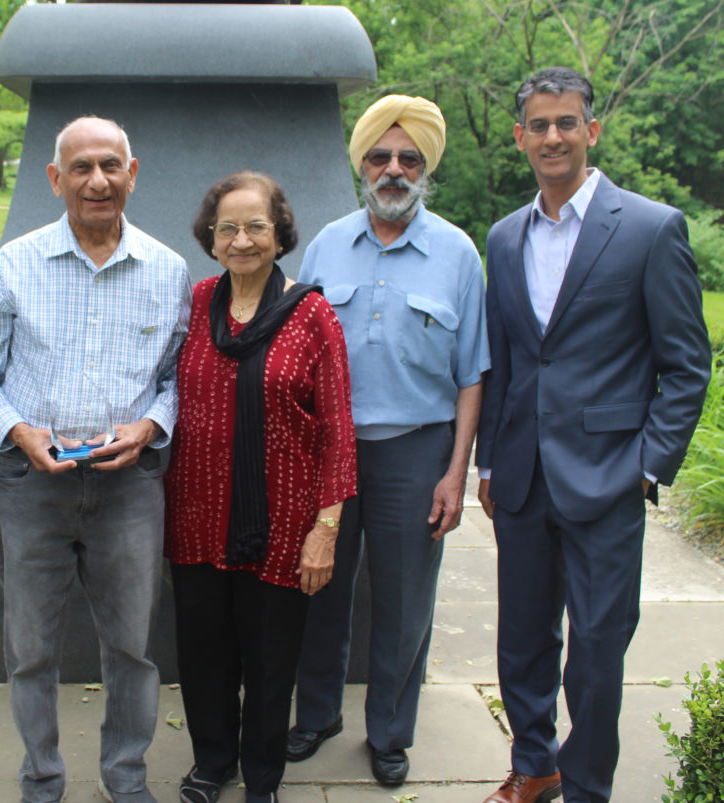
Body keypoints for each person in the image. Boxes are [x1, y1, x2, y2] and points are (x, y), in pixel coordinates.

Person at [476, 67, 711, 803]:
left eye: (566, 122)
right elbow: (508, 357)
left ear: (591, 130)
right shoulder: (506, 236)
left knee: (599, 652)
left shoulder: (649, 227)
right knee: (521, 643)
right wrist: (489, 459)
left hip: (609, 476)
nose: (553, 136)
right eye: (539, 125)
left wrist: (649, 467)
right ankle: (535, 762)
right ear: (520, 138)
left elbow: (686, 365)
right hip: (520, 477)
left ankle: (586, 785)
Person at [0, 116, 191, 803]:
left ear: (132, 173)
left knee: (133, 648)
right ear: (56, 179)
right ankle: (42, 779)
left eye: (111, 166)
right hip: (32, 484)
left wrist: (151, 423)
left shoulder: (167, 268)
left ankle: (125, 775)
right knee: (31, 648)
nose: (98, 180)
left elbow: (178, 377)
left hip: (129, 488)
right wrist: (16, 430)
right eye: (81, 167)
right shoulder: (17, 263)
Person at [287, 95, 490, 787]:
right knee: (321, 585)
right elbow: (297, 357)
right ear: (362, 166)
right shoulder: (326, 244)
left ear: (425, 168)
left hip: (418, 448)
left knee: (406, 598)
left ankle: (391, 731)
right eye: (380, 156)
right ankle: (315, 714)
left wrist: (454, 473)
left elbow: (472, 376)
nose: (394, 169)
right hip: (331, 450)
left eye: (409, 158)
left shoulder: (458, 253)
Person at [164, 171, 357, 803]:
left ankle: (263, 778)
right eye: (228, 228)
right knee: (203, 655)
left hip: (282, 525)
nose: (241, 240)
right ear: (210, 238)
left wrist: (324, 532)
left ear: (279, 235)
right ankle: (211, 763)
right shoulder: (194, 303)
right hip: (195, 516)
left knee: (271, 664)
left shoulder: (312, 312)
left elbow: (337, 430)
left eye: (255, 226)